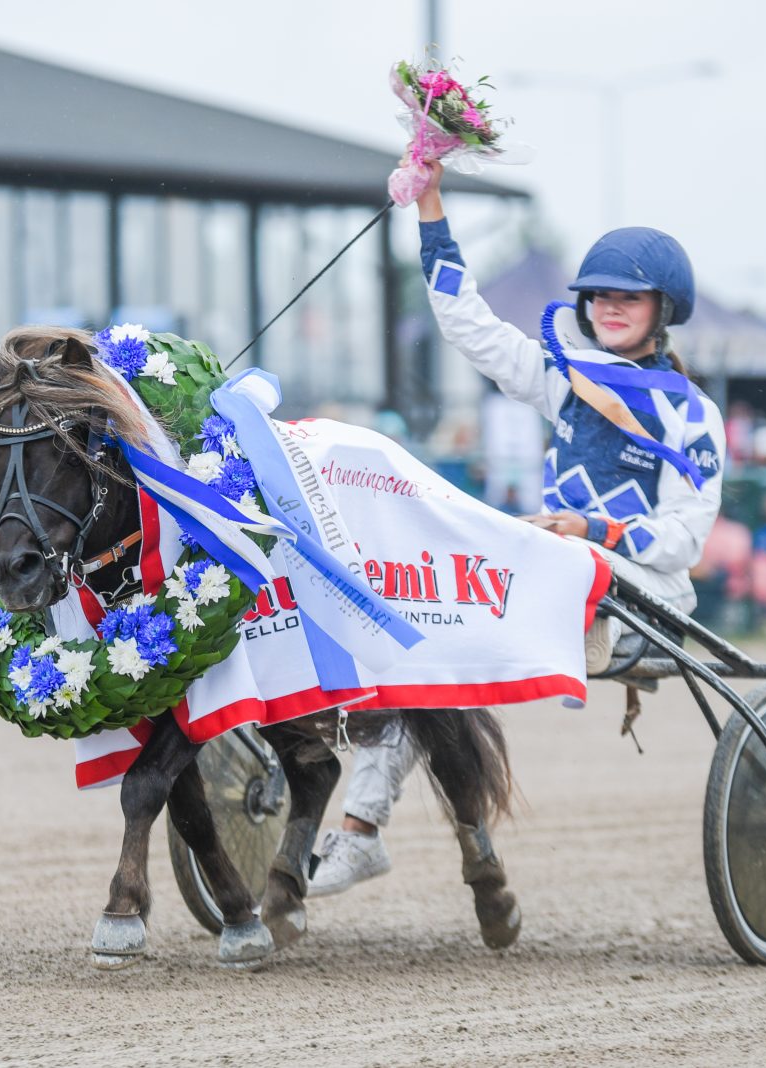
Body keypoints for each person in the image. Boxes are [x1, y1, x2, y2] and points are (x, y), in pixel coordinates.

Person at [309, 160, 725, 898]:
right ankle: (359, 831)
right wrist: (430, 206)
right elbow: (466, 323)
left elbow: (685, 539)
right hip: (548, 569)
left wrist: (590, 529)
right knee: (422, 631)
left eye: (629, 296)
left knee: (548, 560)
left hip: (644, 591)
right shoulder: (565, 377)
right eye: (598, 295)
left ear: (664, 309)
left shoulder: (693, 414)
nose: (609, 306)